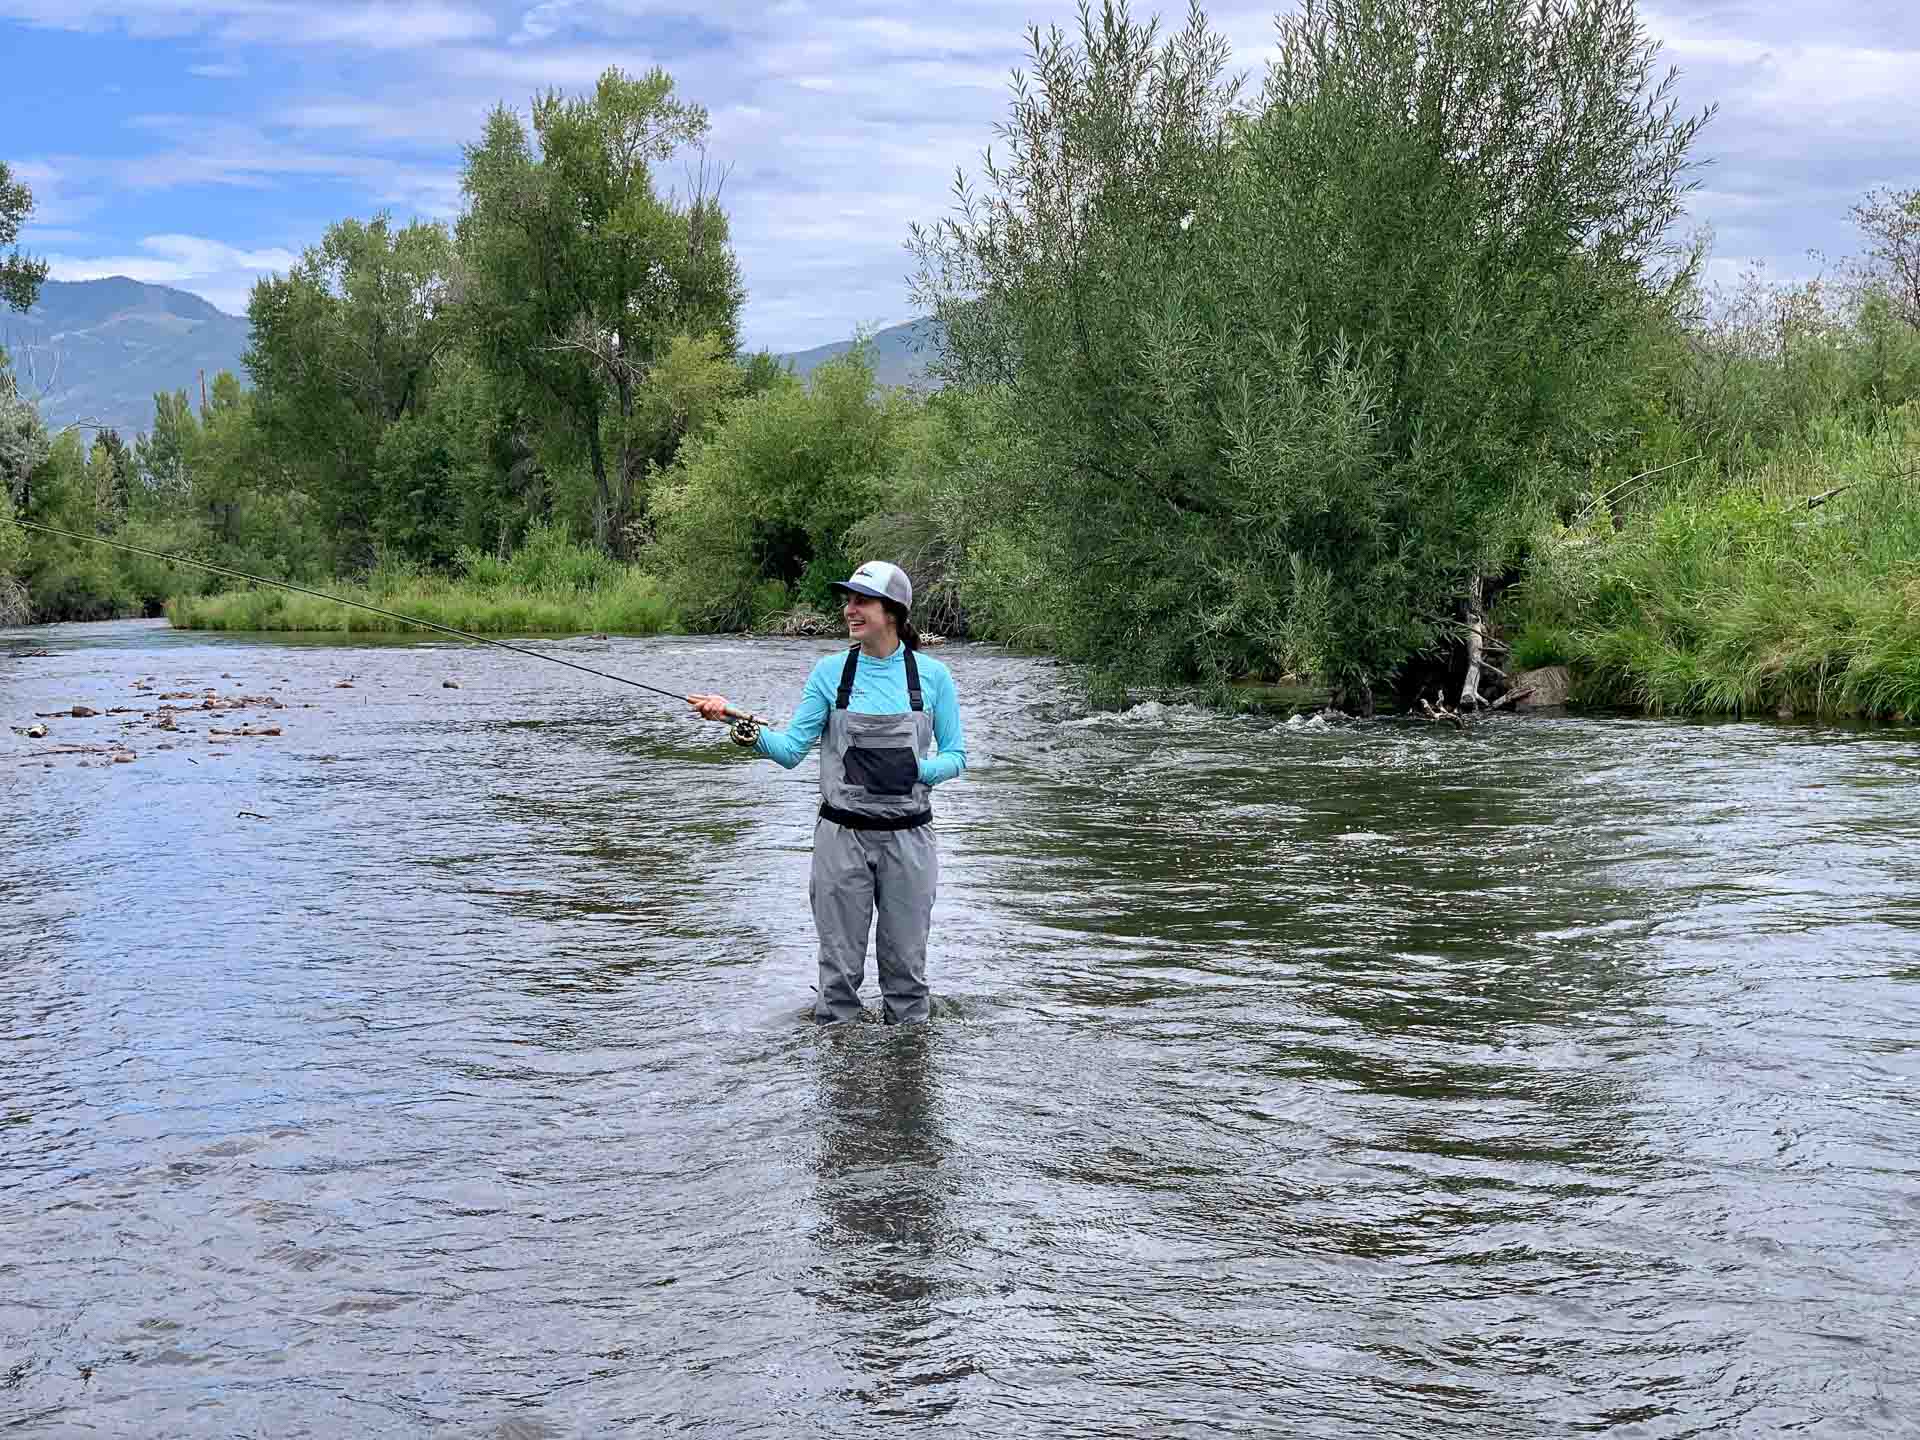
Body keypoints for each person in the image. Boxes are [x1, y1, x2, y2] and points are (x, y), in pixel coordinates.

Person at [689, 561, 967, 1024]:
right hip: (841, 839)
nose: (849, 610)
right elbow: (791, 750)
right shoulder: (829, 673)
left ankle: (909, 1077)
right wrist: (734, 724)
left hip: (910, 841)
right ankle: (841, 1079)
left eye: (862, 601)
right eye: (849, 600)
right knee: (838, 978)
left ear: (893, 611)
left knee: (907, 976)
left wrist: (916, 771)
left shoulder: (933, 676)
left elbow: (957, 755)